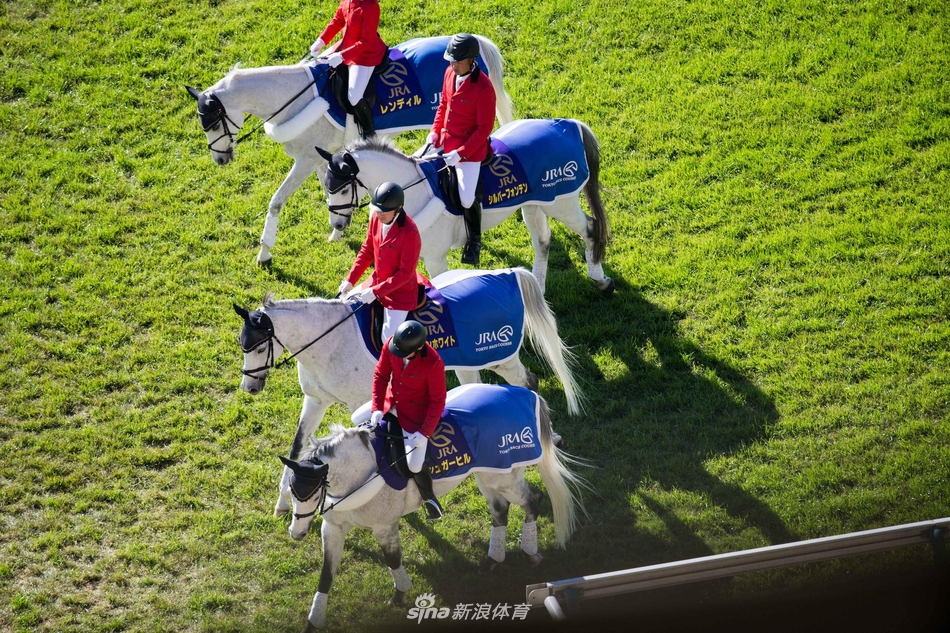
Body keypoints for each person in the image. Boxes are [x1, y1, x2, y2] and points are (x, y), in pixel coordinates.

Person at [427, 33, 497, 266]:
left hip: (470, 149)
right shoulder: (449, 73)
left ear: (471, 60)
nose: (452, 65)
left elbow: (484, 128)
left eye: (457, 61)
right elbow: (444, 105)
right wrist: (435, 131)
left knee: (467, 199)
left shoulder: (484, 88)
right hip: (445, 140)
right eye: (451, 60)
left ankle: (474, 240)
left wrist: (462, 153)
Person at [369, 320, 447, 520]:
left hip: (415, 417)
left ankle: (430, 500)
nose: (398, 354)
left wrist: (424, 432)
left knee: (414, 465)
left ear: (419, 347)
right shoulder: (391, 345)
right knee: (356, 418)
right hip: (391, 403)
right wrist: (377, 408)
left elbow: (438, 401)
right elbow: (381, 375)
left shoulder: (434, 363)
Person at [339, 182, 422, 343]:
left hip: (399, 294)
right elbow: (367, 250)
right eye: (377, 211)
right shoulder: (377, 219)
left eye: (384, 212)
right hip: (375, 280)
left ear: (398, 209)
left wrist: (376, 292)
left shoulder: (410, 233)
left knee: (388, 339)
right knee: (346, 306)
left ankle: (401, 366)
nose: (379, 215)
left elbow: (405, 274)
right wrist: (350, 280)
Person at [310, 0, 387, 138]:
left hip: (365, 55)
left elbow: (366, 42)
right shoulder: (347, 1)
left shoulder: (371, 6)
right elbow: (338, 20)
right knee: (316, 65)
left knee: (354, 96)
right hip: (346, 46)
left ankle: (369, 133)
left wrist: (341, 56)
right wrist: (321, 40)